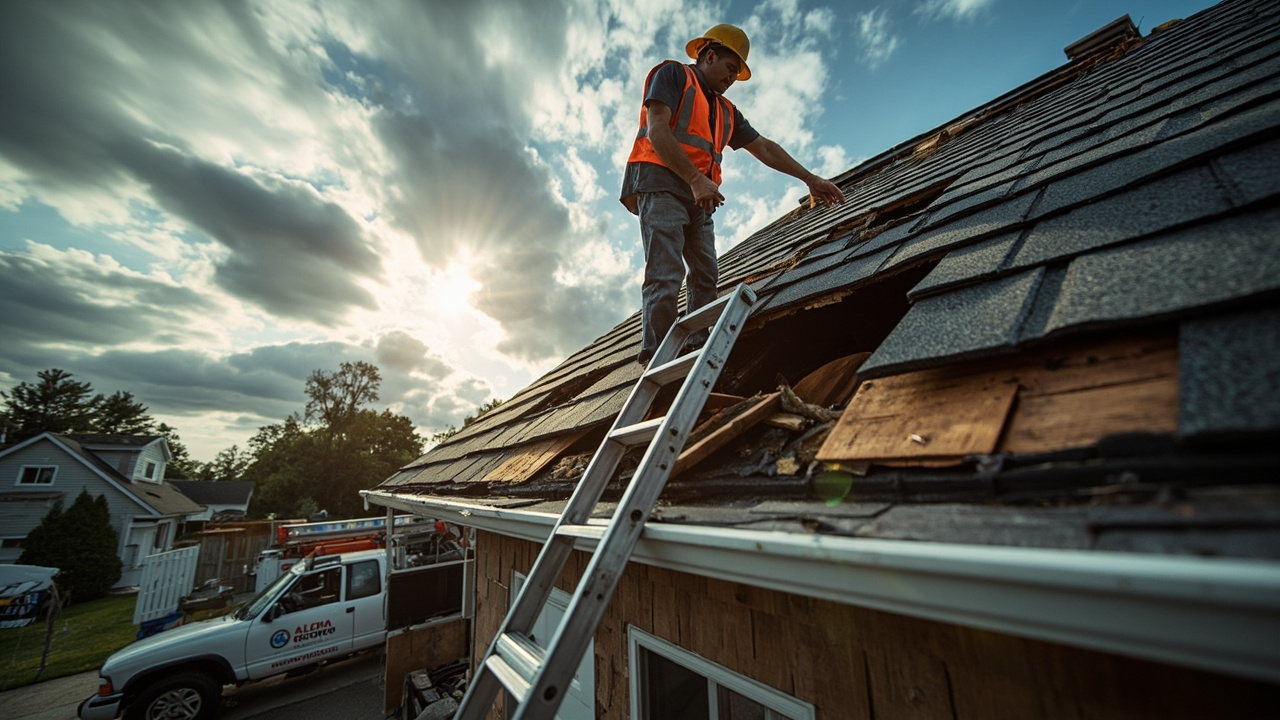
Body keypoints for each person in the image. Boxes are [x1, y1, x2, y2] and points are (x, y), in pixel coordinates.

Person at [620, 24, 845, 366]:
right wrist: (696, 179)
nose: (732, 79)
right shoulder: (672, 75)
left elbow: (765, 148)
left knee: (707, 273)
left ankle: (698, 345)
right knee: (665, 274)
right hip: (662, 182)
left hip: (700, 196)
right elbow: (657, 129)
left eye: (737, 74)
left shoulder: (726, 111)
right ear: (709, 55)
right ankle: (659, 355)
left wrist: (809, 178)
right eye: (729, 69)